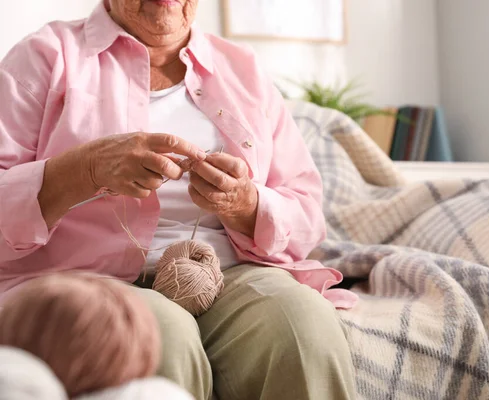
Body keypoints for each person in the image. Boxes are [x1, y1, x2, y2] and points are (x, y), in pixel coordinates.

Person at [0, 0, 358, 399]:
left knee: (302, 325)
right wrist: (85, 170)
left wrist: (246, 204)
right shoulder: (45, 56)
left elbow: (306, 212)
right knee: (158, 334)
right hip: (87, 275)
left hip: (225, 272)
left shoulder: (242, 68)